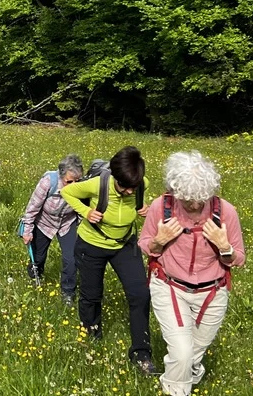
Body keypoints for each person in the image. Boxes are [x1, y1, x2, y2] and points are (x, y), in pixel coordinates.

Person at [139, 152, 244, 396]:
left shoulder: (226, 212)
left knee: (192, 356)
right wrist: (159, 240)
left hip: (212, 293)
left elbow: (238, 258)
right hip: (170, 286)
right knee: (182, 353)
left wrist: (224, 247)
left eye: (200, 199)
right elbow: (145, 245)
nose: (195, 206)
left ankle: (187, 372)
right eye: (187, 200)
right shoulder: (161, 207)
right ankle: (176, 390)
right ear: (174, 191)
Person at [59, 146, 155, 375]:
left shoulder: (141, 184)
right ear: (115, 177)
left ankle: (141, 353)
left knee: (140, 294)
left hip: (124, 244)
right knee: (91, 295)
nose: (130, 192)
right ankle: (92, 336)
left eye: (134, 187)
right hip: (92, 244)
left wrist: (143, 208)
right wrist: (86, 212)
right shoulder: (97, 184)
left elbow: (138, 202)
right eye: (125, 187)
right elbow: (67, 193)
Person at [20, 154, 84, 305]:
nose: (74, 185)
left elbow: (83, 208)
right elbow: (32, 208)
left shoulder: (81, 186)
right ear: (61, 175)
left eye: (77, 181)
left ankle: (68, 292)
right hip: (44, 223)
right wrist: (27, 231)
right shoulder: (49, 182)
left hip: (67, 224)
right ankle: (35, 278)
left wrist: (81, 226)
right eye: (69, 181)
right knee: (38, 257)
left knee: (71, 258)